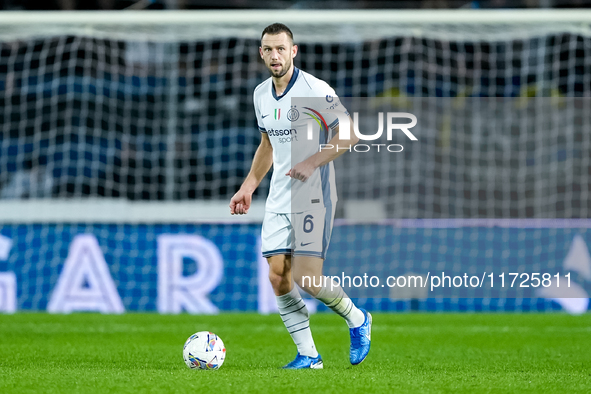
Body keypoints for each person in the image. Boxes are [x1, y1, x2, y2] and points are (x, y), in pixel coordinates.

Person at [229, 23, 371, 369]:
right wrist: (248, 186)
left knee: (307, 278)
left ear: (294, 51)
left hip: (314, 193)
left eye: (281, 48)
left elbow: (349, 134)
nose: (274, 55)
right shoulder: (261, 94)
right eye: (268, 49)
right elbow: (267, 144)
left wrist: (313, 160)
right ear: (261, 53)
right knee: (278, 276)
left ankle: (358, 319)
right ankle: (309, 355)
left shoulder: (314, 89)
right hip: (279, 195)